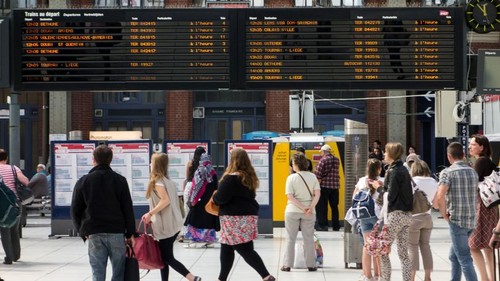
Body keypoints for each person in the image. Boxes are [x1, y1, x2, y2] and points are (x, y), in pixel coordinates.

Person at [71, 144, 136, 281]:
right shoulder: (120, 180)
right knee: (118, 272)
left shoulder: (83, 181)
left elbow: (75, 209)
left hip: (94, 232)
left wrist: (82, 232)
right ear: (110, 160)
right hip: (116, 231)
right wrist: (130, 233)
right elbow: (127, 208)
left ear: (93, 160)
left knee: (97, 272)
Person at [213, 148, 275, 281]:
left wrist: (215, 197)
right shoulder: (249, 178)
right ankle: (222, 278)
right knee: (227, 247)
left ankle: (266, 275)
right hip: (248, 216)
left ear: (233, 161)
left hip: (233, 218)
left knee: (244, 249)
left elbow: (220, 198)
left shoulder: (230, 178)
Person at [141, 152, 202, 281]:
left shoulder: (157, 182)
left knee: (167, 257)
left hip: (165, 225)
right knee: (164, 257)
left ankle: (192, 278)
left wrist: (150, 213)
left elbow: (165, 201)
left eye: (152, 161)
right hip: (173, 223)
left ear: (156, 164)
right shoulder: (168, 181)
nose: (150, 164)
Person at [434, 142, 478, 281]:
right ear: (463, 155)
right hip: (471, 219)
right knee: (454, 256)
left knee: (464, 258)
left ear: (449, 156)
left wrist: (444, 214)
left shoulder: (447, 172)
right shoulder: (473, 172)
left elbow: (440, 196)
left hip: (457, 220)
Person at [281, 153, 320, 272]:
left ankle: (287, 265)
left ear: (296, 164)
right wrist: (309, 207)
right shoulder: (313, 177)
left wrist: (302, 207)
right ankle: (311, 265)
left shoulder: (291, 178)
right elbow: (317, 194)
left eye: (293, 163)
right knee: (308, 238)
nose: (292, 165)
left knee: (290, 238)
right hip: (309, 212)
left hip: (292, 211)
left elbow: (290, 197)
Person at [379, 142, 413, 281]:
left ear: (392, 154)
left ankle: (385, 279)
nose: (384, 154)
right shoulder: (404, 169)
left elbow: (391, 195)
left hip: (395, 215)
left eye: (386, 152)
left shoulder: (393, 171)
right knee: (403, 253)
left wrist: (380, 188)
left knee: (383, 250)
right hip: (407, 215)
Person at [468, 135, 498, 281]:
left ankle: (484, 278)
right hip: (491, 206)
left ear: (482, 147)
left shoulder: (480, 161)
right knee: (488, 246)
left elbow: (472, 184)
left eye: (473, 144)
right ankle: (491, 278)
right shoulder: (488, 161)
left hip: (482, 206)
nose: (470, 147)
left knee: (473, 245)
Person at [353, 158, 384, 281]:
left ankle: (367, 276)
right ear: (379, 169)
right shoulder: (382, 181)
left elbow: (354, 196)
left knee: (367, 245)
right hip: (378, 216)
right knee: (378, 246)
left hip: (364, 215)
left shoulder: (361, 181)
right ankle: (379, 274)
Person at [409, 159, 438, 281]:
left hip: (414, 218)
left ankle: (411, 277)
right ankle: (427, 277)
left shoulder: (411, 182)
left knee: (412, 247)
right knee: (426, 246)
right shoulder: (433, 182)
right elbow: (435, 204)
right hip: (428, 217)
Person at [184, 153, 220, 247]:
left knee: (196, 217)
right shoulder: (213, 171)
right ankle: (209, 239)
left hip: (199, 200)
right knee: (208, 218)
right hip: (209, 200)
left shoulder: (199, 170)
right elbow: (216, 187)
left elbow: (196, 186)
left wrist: (193, 199)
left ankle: (196, 239)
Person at [0, 149, 29, 264]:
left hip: (2, 203)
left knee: (4, 230)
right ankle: (16, 255)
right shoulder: (13, 168)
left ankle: (9, 257)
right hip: (15, 201)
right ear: (6, 158)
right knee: (14, 230)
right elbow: (26, 181)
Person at [180, 146, 206, 243]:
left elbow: (187, 177)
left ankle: (184, 234)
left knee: (187, 210)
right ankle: (198, 234)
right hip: (199, 187)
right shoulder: (203, 165)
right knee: (198, 210)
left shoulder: (190, 163)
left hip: (189, 186)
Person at [314, 144, 341, 231]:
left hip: (324, 186)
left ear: (324, 151)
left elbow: (318, 174)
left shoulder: (323, 160)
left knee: (322, 207)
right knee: (334, 207)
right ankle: (336, 225)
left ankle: (323, 225)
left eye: (321, 152)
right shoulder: (337, 160)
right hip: (335, 187)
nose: (320, 154)